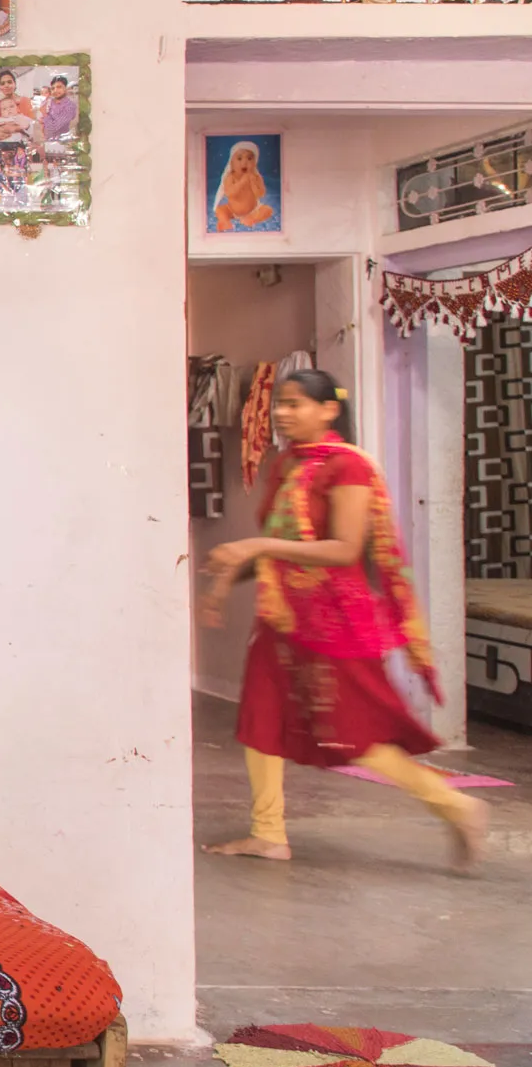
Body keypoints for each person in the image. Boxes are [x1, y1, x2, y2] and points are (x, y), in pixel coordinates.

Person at [201, 372, 488, 868]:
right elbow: (282, 549)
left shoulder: (348, 467)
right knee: (259, 721)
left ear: (329, 410)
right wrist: (226, 581)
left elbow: (343, 549)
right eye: (280, 406)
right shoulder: (288, 464)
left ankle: (458, 807)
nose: (283, 414)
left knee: (354, 736)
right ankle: (268, 833)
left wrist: (256, 545)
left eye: (294, 404)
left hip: (335, 623)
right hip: (284, 615)